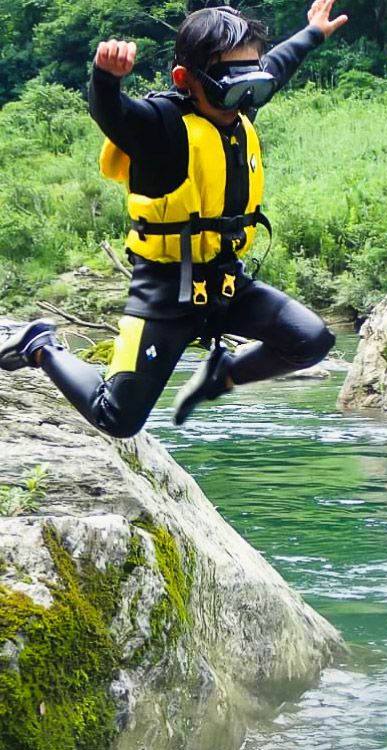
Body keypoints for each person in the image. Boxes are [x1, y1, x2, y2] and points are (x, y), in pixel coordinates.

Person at [0, 1, 347, 438]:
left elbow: (277, 64)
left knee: (311, 340)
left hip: (226, 283)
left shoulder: (237, 107)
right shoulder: (158, 125)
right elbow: (112, 114)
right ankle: (39, 345)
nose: (245, 97)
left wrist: (313, 32)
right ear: (186, 80)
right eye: (230, 86)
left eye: (253, 85)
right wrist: (106, 80)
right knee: (117, 419)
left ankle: (219, 376)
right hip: (165, 292)